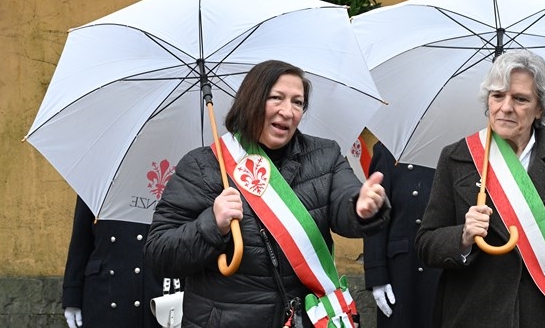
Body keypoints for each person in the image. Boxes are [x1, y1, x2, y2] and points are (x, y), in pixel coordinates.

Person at [145, 59, 390, 328]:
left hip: (307, 318)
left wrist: (361, 208)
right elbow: (160, 253)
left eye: (298, 102)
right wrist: (212, 225)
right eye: (277, 98)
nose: (288, 111)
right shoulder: (203, 165)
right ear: (252, 100)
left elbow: (345, 200)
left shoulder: (326, 154)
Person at [415, 49, 545, 328]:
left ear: (540, 109)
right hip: (474, 316)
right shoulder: (457, 157)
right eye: (498, 95)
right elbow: (426, 244)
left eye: (520, 99)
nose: (506, 107)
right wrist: (462, 236)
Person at [362, 141, 440, 328]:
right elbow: (376, 216)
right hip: (401, 270)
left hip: (442, 264)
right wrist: (377, 276)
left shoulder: (462, 150)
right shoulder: (389, 150)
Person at [62, 196, 163, 328]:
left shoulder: (173, 179)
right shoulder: (100, 179)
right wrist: (72, 294)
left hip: (152, 288)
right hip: (104, 291)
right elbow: (80, 240)